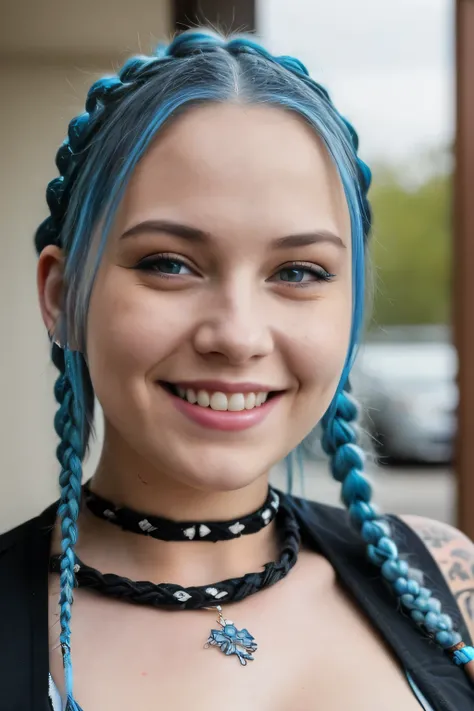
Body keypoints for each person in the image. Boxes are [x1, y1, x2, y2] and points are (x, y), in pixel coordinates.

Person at [0, 28, 473, 711]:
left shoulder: (444, 580)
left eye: (298, 271)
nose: (239, 335)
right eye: (169, 263)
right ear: (62, 296)